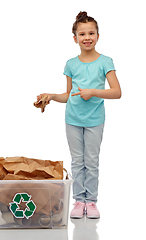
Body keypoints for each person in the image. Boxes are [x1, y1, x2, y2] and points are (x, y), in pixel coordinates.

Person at [37, 11, 121, 219]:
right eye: (82, 34)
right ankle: (79, 200)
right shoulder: (71, 64)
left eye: (91, 33)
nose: (87, 37)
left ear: (98, 36)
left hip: (94, 121)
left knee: (91, 161)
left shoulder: (105, 62)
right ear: (75, 38)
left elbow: (117, 92)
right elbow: (68, 95)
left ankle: (91, 201)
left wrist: (92, 92)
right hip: (72, 119)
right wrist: (52, 96)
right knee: (77, 161)